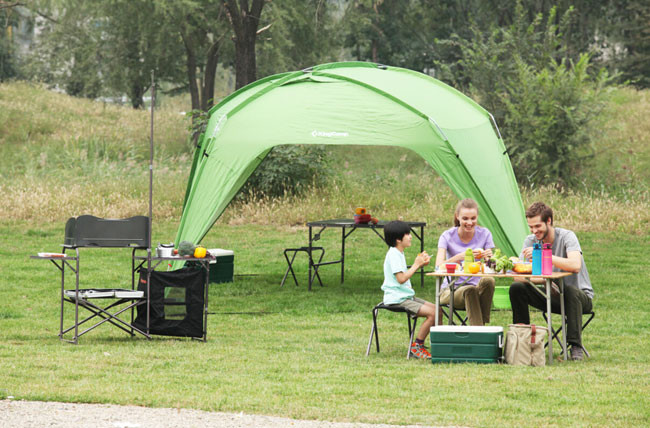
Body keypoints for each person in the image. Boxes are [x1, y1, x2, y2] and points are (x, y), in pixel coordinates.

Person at [509, 202, 594, 361]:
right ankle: (523, 341)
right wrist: (539, 278)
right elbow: (518, 276)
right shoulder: (531, 241)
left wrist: (544, 255)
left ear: (549, 221)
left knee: (570, 291)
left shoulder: (567, 237)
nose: (534, 231)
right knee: (517, 288)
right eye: (531, 227)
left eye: (537, 226)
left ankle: (575, 345)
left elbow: (575, 265)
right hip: (551, 295)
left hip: (579, 298)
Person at [435, 198, 495, 326]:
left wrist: (489, 258)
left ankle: (482, 324)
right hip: (451, 290)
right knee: (470, 290)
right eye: (465, 218)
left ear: (477, 217)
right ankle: (480, 331)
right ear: (457, 217)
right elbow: (438, 267)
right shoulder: (447, 236)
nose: (469, 222)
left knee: (489, 280)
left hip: (477, 287)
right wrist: (459, 257)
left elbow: (492, 267)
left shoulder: (485, 234)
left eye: (473, 218)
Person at [381, 220, 436, 359]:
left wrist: (420, 264)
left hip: (405, 296)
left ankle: (439, 344)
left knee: (438, 310)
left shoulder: (399, 253)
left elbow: (402, 274)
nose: (411, 236)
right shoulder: (393, 254)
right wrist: (416, 265)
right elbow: (401, 278)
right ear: (398, 239)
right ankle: (417, 347)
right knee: (433, 314)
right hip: (396, 299)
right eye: (407, 234)